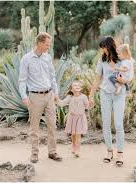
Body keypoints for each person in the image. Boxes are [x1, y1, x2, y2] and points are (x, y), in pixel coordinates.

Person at [89, 37, 134, 166]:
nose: (103, 50)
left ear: (110, 46)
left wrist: (123, 81)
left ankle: (120, 153)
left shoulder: (122, 59)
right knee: (106, 123)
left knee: (119, 124)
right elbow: (97, 79)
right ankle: (109, 151)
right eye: (101, 48)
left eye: (104, 47)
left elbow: (130, 75)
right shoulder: (102, 61)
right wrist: (91, 95)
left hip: (119, 94)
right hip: (105, 94)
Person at [18, 32, 62, 163]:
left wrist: (56, 92)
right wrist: (24, 97)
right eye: (47, 44)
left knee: (52, 125)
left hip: (49, 95)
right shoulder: (26, 59)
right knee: (34, 127)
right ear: (39, 43)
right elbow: (22, 80)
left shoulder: (47, 57)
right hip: (35, 97)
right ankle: (34, 153)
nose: (49, 47)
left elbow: (52, 76)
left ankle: (52, 152)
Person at [56, 80, 89, 158]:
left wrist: (90, 104)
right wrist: (57, 100)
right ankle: (73, 145)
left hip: (80, 118)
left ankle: (77, 149)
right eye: (75, 85)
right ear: (71, 89)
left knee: (78, 134)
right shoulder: (70, 97)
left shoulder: (83, 97)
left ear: (81, 88)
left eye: (78, 85)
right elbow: (62, 103)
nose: (77, 86)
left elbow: (87, 106)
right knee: (73, 134)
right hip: (72, 118)